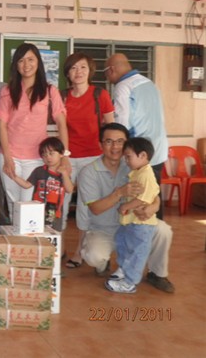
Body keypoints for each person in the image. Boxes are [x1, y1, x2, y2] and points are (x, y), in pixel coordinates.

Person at [77, 122, 174, 293]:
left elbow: (152, 192)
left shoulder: (135, 164)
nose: (115, 147)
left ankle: (157, 273)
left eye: (120, 141)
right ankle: (105, 264)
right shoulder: (88, 172)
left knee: (163, 230)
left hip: (135, 224)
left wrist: (154, 206)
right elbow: (95, 209)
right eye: (109, 141)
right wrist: (120, 193)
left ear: (127, 144)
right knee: (94, 256)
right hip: (104, 229)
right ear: (100, 144)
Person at [0, 43, 69, 213]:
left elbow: (61, 124)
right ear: (16, 65)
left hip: (37, 157)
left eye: (30, 59)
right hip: (10, 155)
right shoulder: (7, 91)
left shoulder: (50, 90)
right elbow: (2, 125)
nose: (26, 64)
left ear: (38, 62)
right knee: (13, 204)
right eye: (21, 60)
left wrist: (64, 156)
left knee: (31, 204)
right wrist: (7, 157)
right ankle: (14, 232)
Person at [61, 52, 115, 269]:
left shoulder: (100, 95)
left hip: (93, 157)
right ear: (67, 73)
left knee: (86, 204)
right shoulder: (62, 97)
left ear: (90, 71)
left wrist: (111, 157)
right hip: (67, 158)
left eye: (83, 67)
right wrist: (63, 156)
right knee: (61, 202)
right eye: (73, 68)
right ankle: (59, 248)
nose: (78, 72)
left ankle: (79, 251)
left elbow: (111, 128)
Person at [105, 53, 168, 218]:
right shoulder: (149, 83)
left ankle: (142, 232)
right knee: (153, 195)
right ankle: (156, 231)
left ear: (111, 70)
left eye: (106, 72)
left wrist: (117, 149)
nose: (107, 77)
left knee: (138, 197)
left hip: (138, 153)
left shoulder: (123, 87)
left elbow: (122, 123)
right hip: (158, 150)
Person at [105, 137, 160, 293]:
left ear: (142, 155)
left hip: (142, 224)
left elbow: (144, 198)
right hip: (131, 221)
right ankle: (123, 269)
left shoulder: (146, 174)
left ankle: (130, 282)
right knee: (122, 242)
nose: (126, 160)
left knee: (137, 252)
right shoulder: (137, 172)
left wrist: (125, 206)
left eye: (128, 157)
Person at [12, 137, 74, 232]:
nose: (48, 157)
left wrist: (65, 174)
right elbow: (26, 185)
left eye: (51, 153)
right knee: (36, 232)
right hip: (37, 210)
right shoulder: (39, 171)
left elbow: (69, 189)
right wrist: (13, 176)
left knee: (53, 235)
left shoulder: (63, 172)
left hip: (55, 213)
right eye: (44, 155)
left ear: (61, 154)